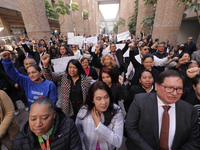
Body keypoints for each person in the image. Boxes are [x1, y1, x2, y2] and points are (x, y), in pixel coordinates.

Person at [125, 69, 200, 150]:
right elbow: (130, 128)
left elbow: (194, 139)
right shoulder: (140, 101)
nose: (174, 93)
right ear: (157, 86)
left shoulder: (189, 110)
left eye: (179, 89)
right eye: (169, 88)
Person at [11, 97, 82, 150]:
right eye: (33, 119)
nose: (38, 124)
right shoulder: (19, 142)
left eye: (44, 118)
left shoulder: (68, 126)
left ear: (54, 114)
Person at [75, 81, 124, 150]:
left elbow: (118, 142)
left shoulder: (116, 112)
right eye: (99, 99)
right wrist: (83, 146)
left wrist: (99, 125)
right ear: (92, 99)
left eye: (106, 97)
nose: (104, 102)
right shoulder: (84, 110)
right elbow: (78, 131)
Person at [41, 54, 90, 120]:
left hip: (82, 108)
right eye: (70, 67)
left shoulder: (85, 80)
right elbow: (50, 77)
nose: (72, 70)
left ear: (78, 69)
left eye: (74, 67)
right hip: (68, 108)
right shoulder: (64, 77)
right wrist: (46, 65)